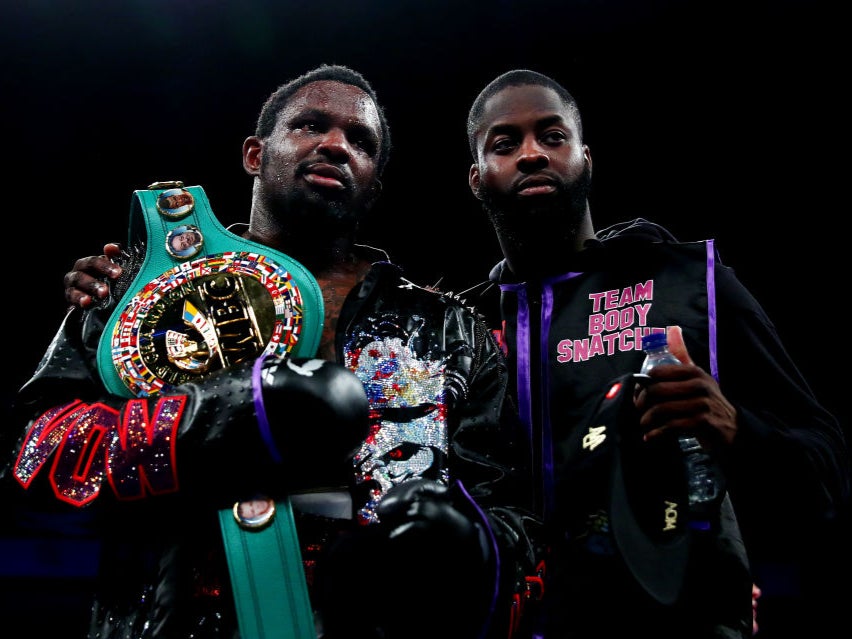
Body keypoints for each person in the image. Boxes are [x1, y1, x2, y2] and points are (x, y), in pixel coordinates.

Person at [3, 64, 542, 639]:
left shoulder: (450, 329)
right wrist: (220, 412)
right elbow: (36, 457)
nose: (335, 145)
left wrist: (470, 547)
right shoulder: (140, 296)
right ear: (255, 154)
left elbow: (515, 514)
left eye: (360, 141)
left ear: (374, 183)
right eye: (310, 126)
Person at [463, 69, 850, 637]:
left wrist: (737, 428)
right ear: (476, 178)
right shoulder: (465, 328)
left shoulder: (689, 283)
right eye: (505, 143)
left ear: (586, 157)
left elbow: (827, 469)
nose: (531, 154)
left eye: (552, 136)